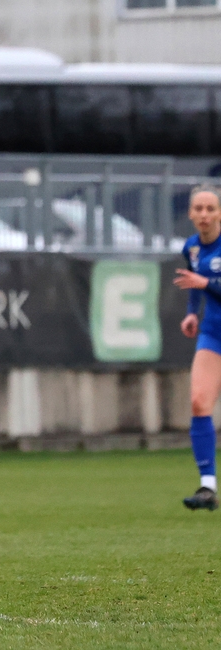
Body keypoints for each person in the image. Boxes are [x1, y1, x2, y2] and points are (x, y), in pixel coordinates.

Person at [173, 185, 221, 511]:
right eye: (199, 208)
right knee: (198, 401)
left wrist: (207, 284)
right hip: (213, 333)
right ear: (190, 213)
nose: (204, 214)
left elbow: (202, 282)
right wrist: (192, 311)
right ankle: (207, 487)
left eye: (211, 208)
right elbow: (193, 282)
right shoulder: (191, 247)